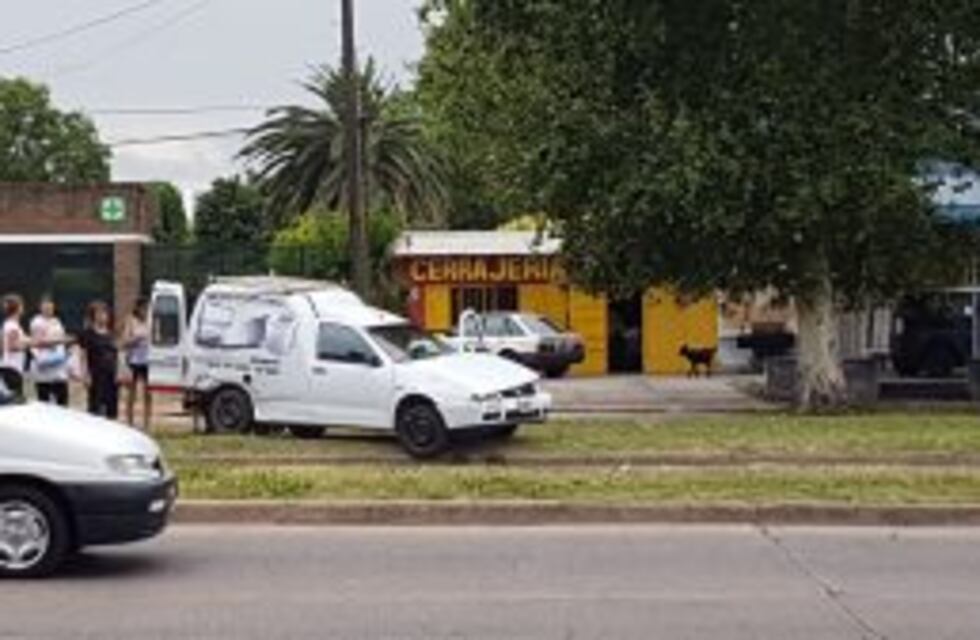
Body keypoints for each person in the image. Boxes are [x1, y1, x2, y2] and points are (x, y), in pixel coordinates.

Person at [78, 301, 119, 419]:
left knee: (111, 406)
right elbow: (83, 355)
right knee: (96, 406)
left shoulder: (111, 334)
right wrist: (85, 374)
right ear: (93, 316)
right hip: (96, 374)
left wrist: (118, 372)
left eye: (105, 313)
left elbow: (116, 353)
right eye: (99, 313)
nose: (103, 316)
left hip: (111, 374)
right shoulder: (88, 334)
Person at [29, 295, 70, 406]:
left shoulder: (57, 321)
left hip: (59, 370)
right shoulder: (36, 322)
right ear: (41, 308)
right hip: (44, 369)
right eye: (46, 307)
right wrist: (58, 341)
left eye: (51, 308)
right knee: (44, 402)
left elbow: (61, 337)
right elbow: (39, 341)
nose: (49, 310)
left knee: (62, 401)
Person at [122, 297, 152, 429]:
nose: (145, 311)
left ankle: (147, 423)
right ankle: (129, 422)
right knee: (132, 393)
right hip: (134, 361)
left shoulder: (151, 321)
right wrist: (135, 339)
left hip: (148, 360)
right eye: (143, 308)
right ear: (138, 308)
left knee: (148, 393)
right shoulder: (130, 321)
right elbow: (124, 341)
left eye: (147, 308)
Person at [2, 294, 31, 378]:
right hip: (12, 368)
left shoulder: (8, 324)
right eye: (21, 305)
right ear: (18, 308)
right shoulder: (13, 326)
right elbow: (13, 346)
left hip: (9, 366)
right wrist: (28, 344)